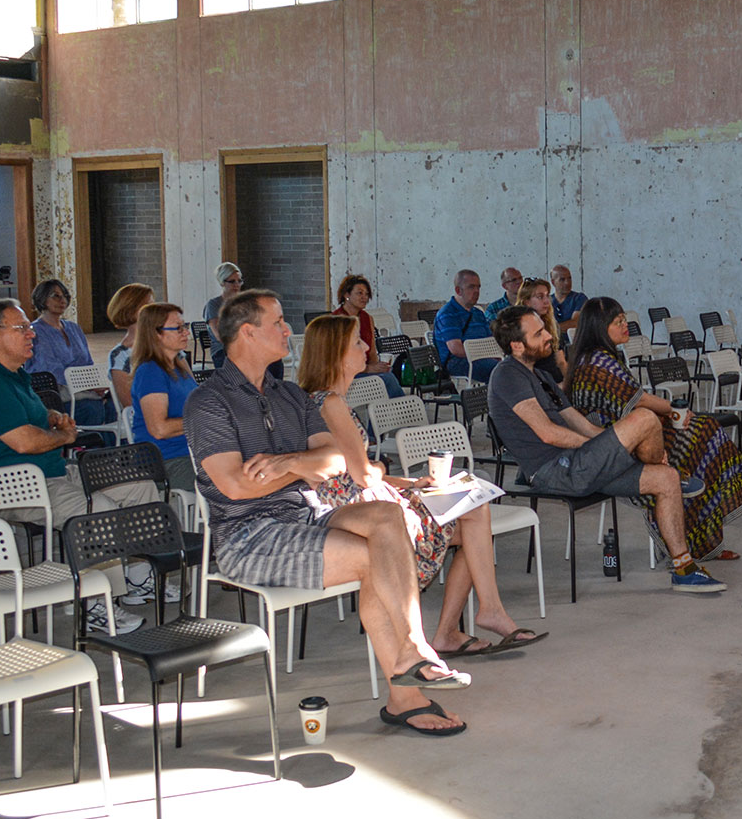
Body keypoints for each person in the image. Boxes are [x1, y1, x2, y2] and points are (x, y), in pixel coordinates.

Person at [185, 289, 471, 735]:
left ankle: (412, 654)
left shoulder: (292, 396)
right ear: (246, 332)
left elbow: (339, 462)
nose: (287, 330)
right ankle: (406, 689)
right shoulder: (208, 403)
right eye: (277, 322)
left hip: (307, 514)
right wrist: (305, 465)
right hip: (249, 535)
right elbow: (236, 485)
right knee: (380, 555)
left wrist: (292, 462)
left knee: (386, 517)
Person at [298, 315, 545, 659]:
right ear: (336, 353)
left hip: (366, 500)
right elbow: (363, 476)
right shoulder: (330, 403)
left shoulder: (323, 400)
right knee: (473, 514)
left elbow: (357, 476)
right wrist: (383, 468)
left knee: (473, 517)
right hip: (362, 512)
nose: (366, 347)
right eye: (357, 343)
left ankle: (461, 626)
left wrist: (410, 482)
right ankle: (476, 617)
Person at [488, 304, 725, 594]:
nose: (549, 335)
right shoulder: (507, 375)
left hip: (578, 462)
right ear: (516, 345)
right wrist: (610, 447)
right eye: (539, 333)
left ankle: (684, 570)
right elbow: (547, 434)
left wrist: (610, 446)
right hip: (555, 472)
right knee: (646, 419)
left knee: (666, 479)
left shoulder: (541, 376)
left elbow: (582, 426)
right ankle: (650, 458)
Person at [0, 298, 159, 631]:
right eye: (21, 328)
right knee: (98, 509)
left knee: (141, 487)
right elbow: (25, 442)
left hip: (48, 473)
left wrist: (51, 416)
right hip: (8, 486)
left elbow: (32, 418)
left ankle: (137, 581)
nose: (30, 335)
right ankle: (95, 604)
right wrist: (63, 437)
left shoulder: (14, 375)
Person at [565, 297, 742, 563]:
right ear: (599, 327)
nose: (626, 326)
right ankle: (736, 492)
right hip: (615, 445)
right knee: (699, 435)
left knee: (703, 433)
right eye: (618, 322)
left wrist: (671, 414)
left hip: (628, 432)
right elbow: (640, 399)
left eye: (625, 319)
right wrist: (673, 410)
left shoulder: (602, 355)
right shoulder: (598, 361)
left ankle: (706, 537)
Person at [128, 303, 199, 494]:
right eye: (178, 328)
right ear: (156, 334)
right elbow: (159, 429)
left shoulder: (179, 367)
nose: (186, 332)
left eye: (185, 326)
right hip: (165, 461)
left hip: (189, 453)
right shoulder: (150, 372)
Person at [28, 279, 114, 427]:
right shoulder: (36, 331)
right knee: (92, 409)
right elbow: (50, 370)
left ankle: (114, 448)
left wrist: (97, 384)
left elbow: (87, 362)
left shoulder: (73, 328)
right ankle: (92, 448)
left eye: (65, 296)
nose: (62, 300)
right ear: (42, 299)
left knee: (114, 406)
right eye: (56, 296)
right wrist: (87, 385)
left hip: (84, 389)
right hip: (57, 394)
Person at [333, 274, 403, 394]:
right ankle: (403, 411)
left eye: (366, 294)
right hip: (344, 375)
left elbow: (371, 351)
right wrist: (368, 369)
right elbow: (339, 361)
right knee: (388, 380)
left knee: (388, 374)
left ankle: (390, 411)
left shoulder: (367, 318)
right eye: (359, 293)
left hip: (363, 370)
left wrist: (378, 367)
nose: (364, 297)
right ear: (346, 295)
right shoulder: (337, 320)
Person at [433, 269, 495, 381]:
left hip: (482, 359)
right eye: (471, 287)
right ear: (458, 290)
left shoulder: (478, 313)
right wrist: (485, 353)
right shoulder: (447, 314)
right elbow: (456, 349)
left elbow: (490, 340)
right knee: (501, 370)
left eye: (478, 287)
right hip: (457, 362)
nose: (476, 291)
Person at [105, 282, 154, 410]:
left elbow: (190, 384)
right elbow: (130, 403)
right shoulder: (120, 355)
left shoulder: (166, 344)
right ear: (130, 309)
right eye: (147, 306)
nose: (153, 310)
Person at [515, 277, 566, 383]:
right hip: (536, 383)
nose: (547, 301)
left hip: (556, 380)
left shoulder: (552, 325)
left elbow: (561, 361)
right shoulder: (519, 329)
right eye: (540, 297)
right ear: (527, 302)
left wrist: (570, 383)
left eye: (547, 296)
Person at [203, 262, 243, 343]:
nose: (237, 285)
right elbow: (219, 335)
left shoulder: (244, 303)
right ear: (222, 283)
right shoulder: (213, 305)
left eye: (239, 281)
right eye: (232, 281)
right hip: (222, 349)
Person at [550, 265, 586, 332]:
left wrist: (552, 330)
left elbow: (576, 323)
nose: (567, 283)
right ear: (553, 282)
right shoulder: (547, 301)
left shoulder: (579, 298)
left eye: (569, 278)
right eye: (562, 279)